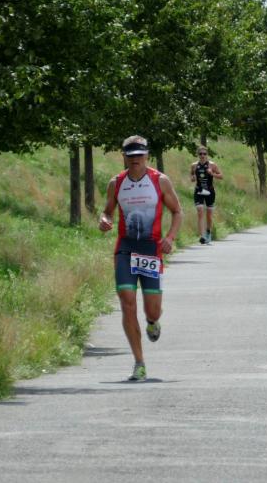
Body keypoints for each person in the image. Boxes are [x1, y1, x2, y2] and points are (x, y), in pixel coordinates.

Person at [99, 135, 183, 381]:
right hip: (125, 249)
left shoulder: (160, 181)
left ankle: (152, 322)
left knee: (152, 310)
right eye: (131, 155)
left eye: (139, 155)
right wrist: (104, 220)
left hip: (150, 250)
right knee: (127, 301)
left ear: (147, 155)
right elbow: (107, 211)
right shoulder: (116, 183)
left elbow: (177, 211)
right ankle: (139, 362)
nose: (135, 159)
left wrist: (170, 238)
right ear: (124, 157)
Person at [190, 146, 223, 244]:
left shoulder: (212, 165)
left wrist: (212, 174)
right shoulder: (194, 165)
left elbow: (221, 176)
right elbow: (192, 176)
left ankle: (208, 232)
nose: (202, 156)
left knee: (209, 214)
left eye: (204, 154)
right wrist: (192, 178)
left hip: (209, 191)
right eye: (200, 154)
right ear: (198, 155)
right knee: (200, 211)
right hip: (199, 191)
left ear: (207, 155)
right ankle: (202, 236)